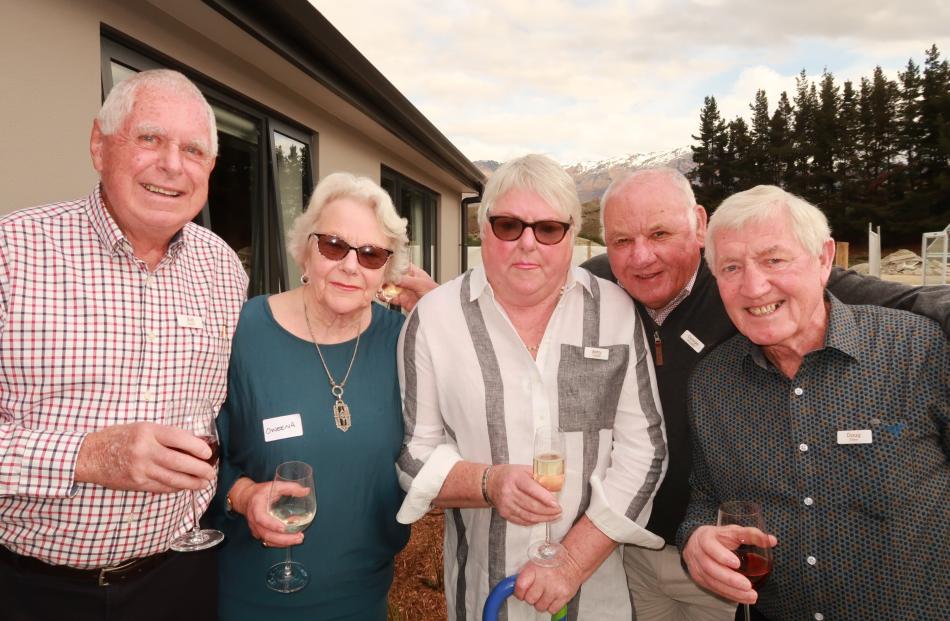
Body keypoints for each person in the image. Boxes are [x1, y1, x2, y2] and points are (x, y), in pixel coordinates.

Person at [581, 168, 950, 621]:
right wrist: (697, 532)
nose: (641, 256)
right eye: (621, 241)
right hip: (642, 549)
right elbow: (709, 495)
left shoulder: (912, 351)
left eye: (660, 233)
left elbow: (903, 300)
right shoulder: (607, 300)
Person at [0, 69, 247, 620]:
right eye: (150, 139)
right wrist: (88, 456)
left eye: (193, 149)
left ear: (208, 168)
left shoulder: (223, 269)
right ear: (99, 144)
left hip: (181, 581)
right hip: (31, 589)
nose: (171, 165)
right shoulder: (11, 254)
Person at [396, 154, 668, 620]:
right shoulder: (434, 319)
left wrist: (572, 561)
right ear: (482, 231)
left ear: (570, 235)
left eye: (547, 229)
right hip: (485, 592)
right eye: (508, 225)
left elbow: (645, 453)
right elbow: (414, 457)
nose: (527, 243)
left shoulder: (617, 312)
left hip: (595, 596)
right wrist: (489, 482)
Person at [214, 172, 417, 620]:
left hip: (363, 592)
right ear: (305, 249)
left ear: (386, 269)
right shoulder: (243, 330)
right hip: (256, 591)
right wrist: (243, 495)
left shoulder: (403, 342)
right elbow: (201, 446)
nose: (350, 265)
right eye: (333, 245)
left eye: (370, 254)